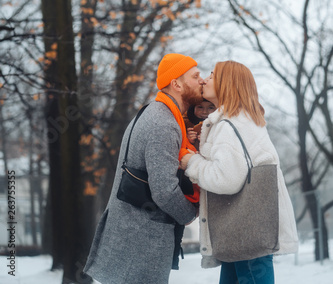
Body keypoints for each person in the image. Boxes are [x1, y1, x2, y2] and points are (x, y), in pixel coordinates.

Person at [84, 53, 204, 284]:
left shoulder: (153, 113)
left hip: (133, 234)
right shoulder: (164, 123)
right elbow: (164, 190)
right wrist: (189, 214)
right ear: (176, 84)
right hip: (142, 239)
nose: (201, 80)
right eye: (195, 76)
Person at [180, 61, 298, 284]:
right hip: (244, 231)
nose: (204, 79)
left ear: (227, 84)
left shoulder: (230, 124)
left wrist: (191, 162)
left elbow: (225, 179)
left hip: (245, 232)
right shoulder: (242, 120)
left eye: (212, 75)